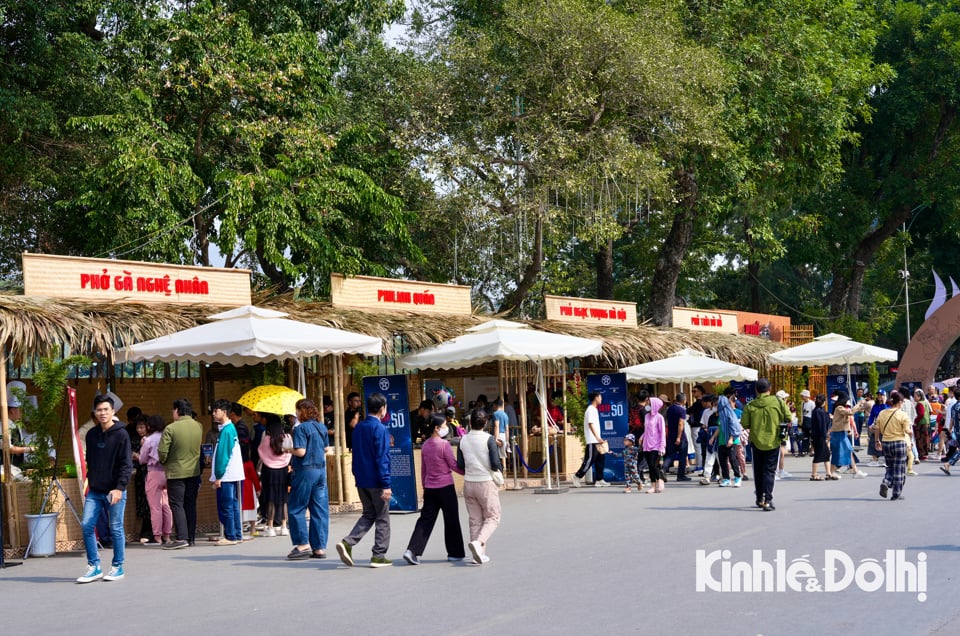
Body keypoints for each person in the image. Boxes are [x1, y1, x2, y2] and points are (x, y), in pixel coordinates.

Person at [77, 394, 132, 583]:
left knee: (115, 527)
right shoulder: (92, 435)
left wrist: (119, 488)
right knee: (86, 525)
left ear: (113, 411)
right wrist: (90, 480)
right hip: (95, 490)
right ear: (94, 412)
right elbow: (89, 461)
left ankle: (118, 566)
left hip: (114, 490)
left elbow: (126, 464)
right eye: (99, 410)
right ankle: (94, 566)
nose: (102, 413)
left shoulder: (121, 434)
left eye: (106, 409)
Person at [335, 392, 392, 568]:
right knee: (382, 517)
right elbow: (382, 458)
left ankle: (348, 542)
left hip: (361, 479)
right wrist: (386, 484)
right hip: (376, 480)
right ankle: (378, 555)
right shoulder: (380, 429)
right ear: (382, 409)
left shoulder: (358, 427)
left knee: (369, 514)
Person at [403, 412, 467, 564]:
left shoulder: (425, 446)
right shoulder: (444, 445)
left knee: (425, 520)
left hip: (430, 488)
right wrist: (468, 472)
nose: (446, 428)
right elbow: (453, 465)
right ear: (437, 428)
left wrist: (425, 487)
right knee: (451, 519)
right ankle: (455, 552)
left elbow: (423, 469)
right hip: (446, 488)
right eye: (444, 425)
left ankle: (412, 550)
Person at [457, 408, 503, 564]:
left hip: (469, 483)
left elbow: (460, 464)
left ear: (470, 422)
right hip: (485, 483)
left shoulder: (463, 440)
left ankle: (479, 555)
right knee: (493, 517)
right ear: (486, 422)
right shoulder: (489, 439)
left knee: (475, 519)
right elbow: (495, 463)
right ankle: (479, 543)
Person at [285, 399, 330, 560]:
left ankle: (303, 544)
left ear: (301, 411)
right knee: (319, 509)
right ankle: (319, 547)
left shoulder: (300, 429)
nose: (296, 413)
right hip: (321, 471)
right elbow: (326, 448)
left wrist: (288, 449)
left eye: (297, 410)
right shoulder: (321, 426)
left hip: (305, 471)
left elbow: (301, 452)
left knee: (297, 507)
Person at [741, 379, 791, 511]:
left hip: (756, 442)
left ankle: (759, 498)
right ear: (770, 388)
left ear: (756, 390)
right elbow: (789, 417)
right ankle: (768, 499)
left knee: (758, 470)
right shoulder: (778, 402)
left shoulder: (750, 406)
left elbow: (745, 424)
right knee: (769, 471)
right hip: (773, 441)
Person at [159, 398, 202, 549]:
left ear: (177, 410)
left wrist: (165, 462)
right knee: (190, 504)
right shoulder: (199, 426)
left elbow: (162, 452)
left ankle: (181, 538)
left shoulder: (171, 428)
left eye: (173, 410)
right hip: (194, 472)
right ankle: (191, 537)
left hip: (176, 472)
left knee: (177, 504)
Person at [209, 399, 244, 546]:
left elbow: (223, 455)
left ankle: (230, 535)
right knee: (233, 504)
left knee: (227, 505)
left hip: (226, 474)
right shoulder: (228, 429)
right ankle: (236, 534)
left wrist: (218, 475)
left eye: (216, 411)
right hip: (231, 473)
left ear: (224, 412)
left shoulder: (227, 430)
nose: (213, 413)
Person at [139, 415, 173, 546]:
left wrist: (140, 448)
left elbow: (142, 459)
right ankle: (167, 535)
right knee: (166, 505)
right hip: (167, 472)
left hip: (154, 472)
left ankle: (157, 536)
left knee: (155, 506)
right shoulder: (167, 437)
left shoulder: (149, 440)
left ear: (149, 426)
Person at [875, 391, 911, 500]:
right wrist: (910, 433)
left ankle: (886, 482)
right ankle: (896, 494)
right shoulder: (903, 414)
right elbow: (906, 430)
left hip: (886, 442)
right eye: (902, 402)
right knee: (899, 469)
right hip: (899, 442)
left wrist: (877, 440)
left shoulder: (882, 413)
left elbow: (877, 428)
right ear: (899, 402)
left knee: (890, 467)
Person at [258, 416, 291, 537]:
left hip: (269, 471)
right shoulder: (287, 437)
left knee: (270, 499)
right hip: (283, 470)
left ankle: (270, 527)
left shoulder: (267, 439)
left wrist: (270, 461)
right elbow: (289, 453)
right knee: (283, 499)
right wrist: (283, 462)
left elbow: (261, 452)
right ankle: (284, 526)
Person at [572, 392, 607, 487]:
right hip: (592, 440)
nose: (601, 399)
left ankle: (599, 479)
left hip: (596, 440)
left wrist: (598, 438)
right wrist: (597, 437)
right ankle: (577, 476)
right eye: (600, 397)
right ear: (596, 398)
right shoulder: (590, 410)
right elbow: (590, 424)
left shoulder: (594, 410)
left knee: (601, 459)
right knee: (589, 460)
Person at [716, 387, 743, 488]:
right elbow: (720, 427)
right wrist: (713, 437)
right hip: (722, 440)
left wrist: (731, 439)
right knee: (722, 461)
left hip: (732, 440)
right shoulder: (722, 414)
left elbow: (735, 428)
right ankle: (726, 479)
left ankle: (737, 477)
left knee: (733, 459)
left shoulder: (732, 413)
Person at [641, 396, 667, 493]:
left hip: (656, 445)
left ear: (654, 405)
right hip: (647, 444)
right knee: (650, 466)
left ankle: (660, 479)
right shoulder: (646, 416)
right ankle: (653, 486)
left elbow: (662, 433)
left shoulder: (659, 418)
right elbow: (647, 430)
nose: (647, 406)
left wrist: (662, 446)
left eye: (649, 404)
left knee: (653, 465)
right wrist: (642, 437)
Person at [663, 393, 691, 481]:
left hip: (671, 434)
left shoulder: (670, 409)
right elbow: (680, 423)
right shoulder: (682, 410)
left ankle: (663, 468)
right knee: (682, 455)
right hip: (680, 435)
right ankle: (681, 475)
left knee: (670, 454)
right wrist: (679, 437)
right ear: (683, 400)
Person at [809, 395, 834, 480]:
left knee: (826, 454)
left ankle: (828, 473)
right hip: (819, 436)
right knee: (818, 455)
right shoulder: (819, 412)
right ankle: (814, 474)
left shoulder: (818, 410)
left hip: (818, 435)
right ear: (823, 402)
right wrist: (826, 435)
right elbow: (821, 425)